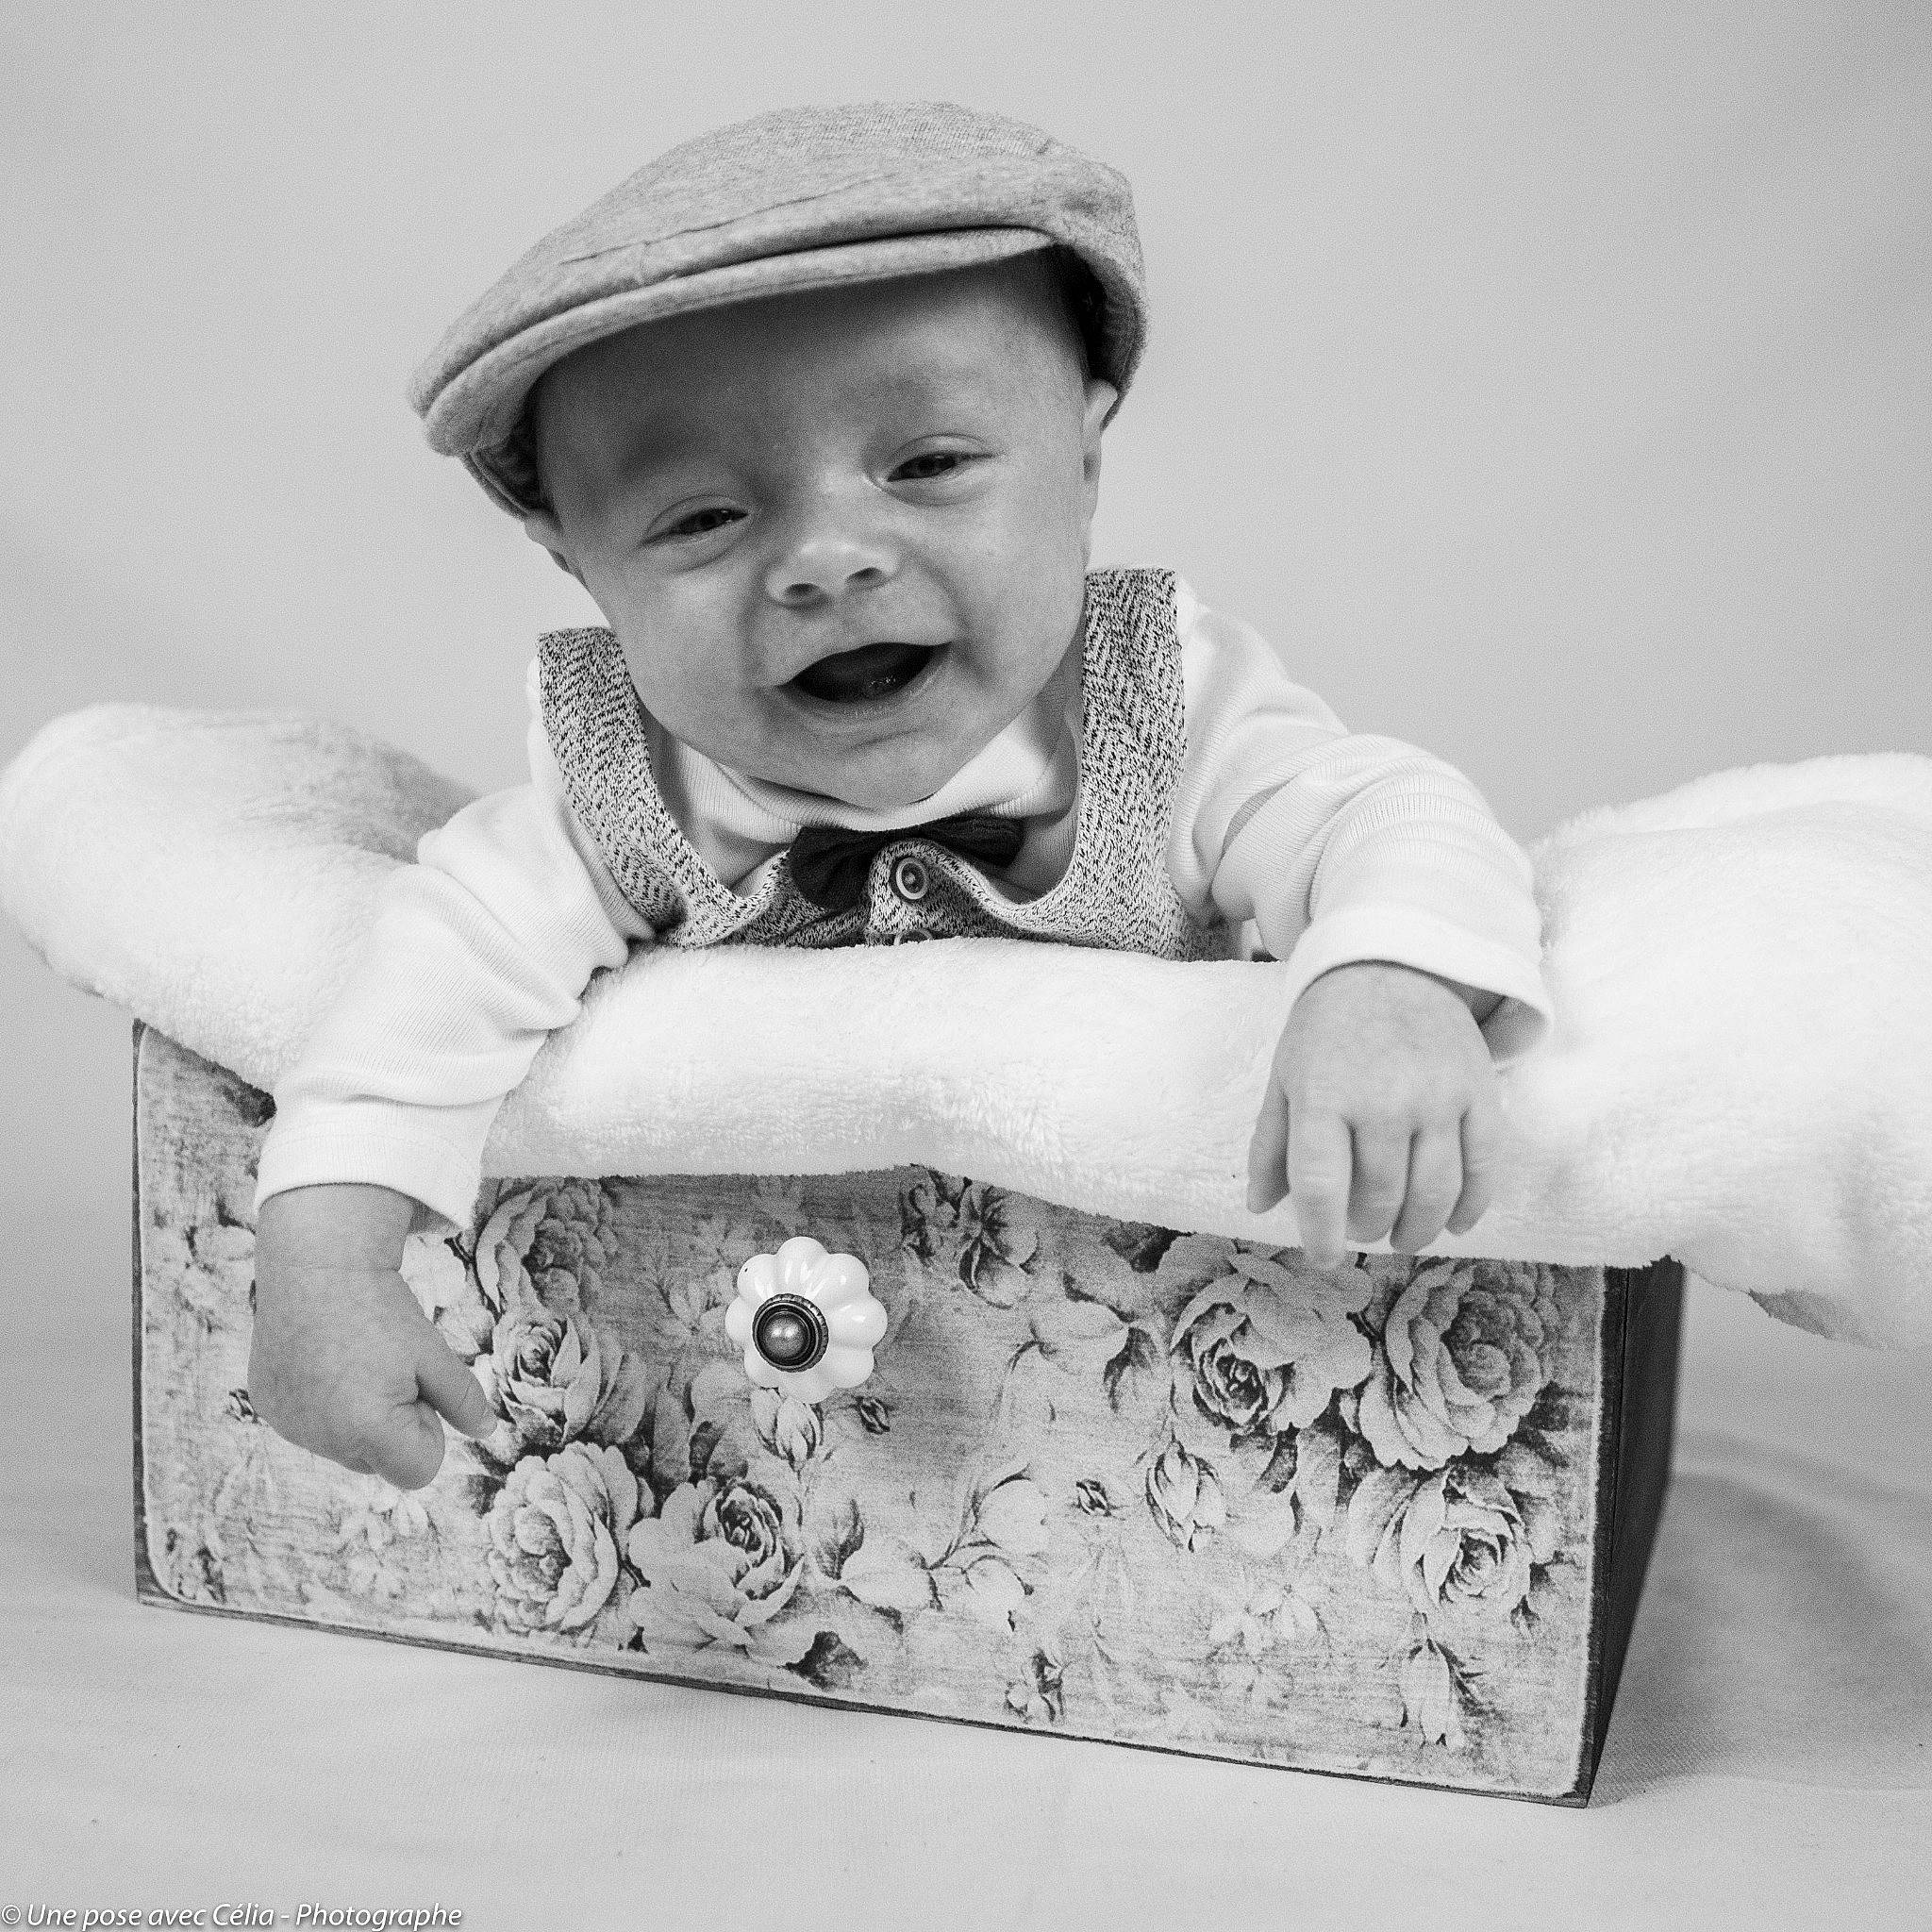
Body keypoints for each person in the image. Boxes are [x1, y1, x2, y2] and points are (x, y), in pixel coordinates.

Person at [248, 101, 1552, 1490]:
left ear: (1085, 459)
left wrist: (1388, 984)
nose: (828, 558)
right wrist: (325, 1260)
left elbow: (1387, 815)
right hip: (754, 1421)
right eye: (702, 518)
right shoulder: (619, 790)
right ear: (579, 564)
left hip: (1140, 1386)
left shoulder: (1168, 712)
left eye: (927, 466)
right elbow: (424, 989)